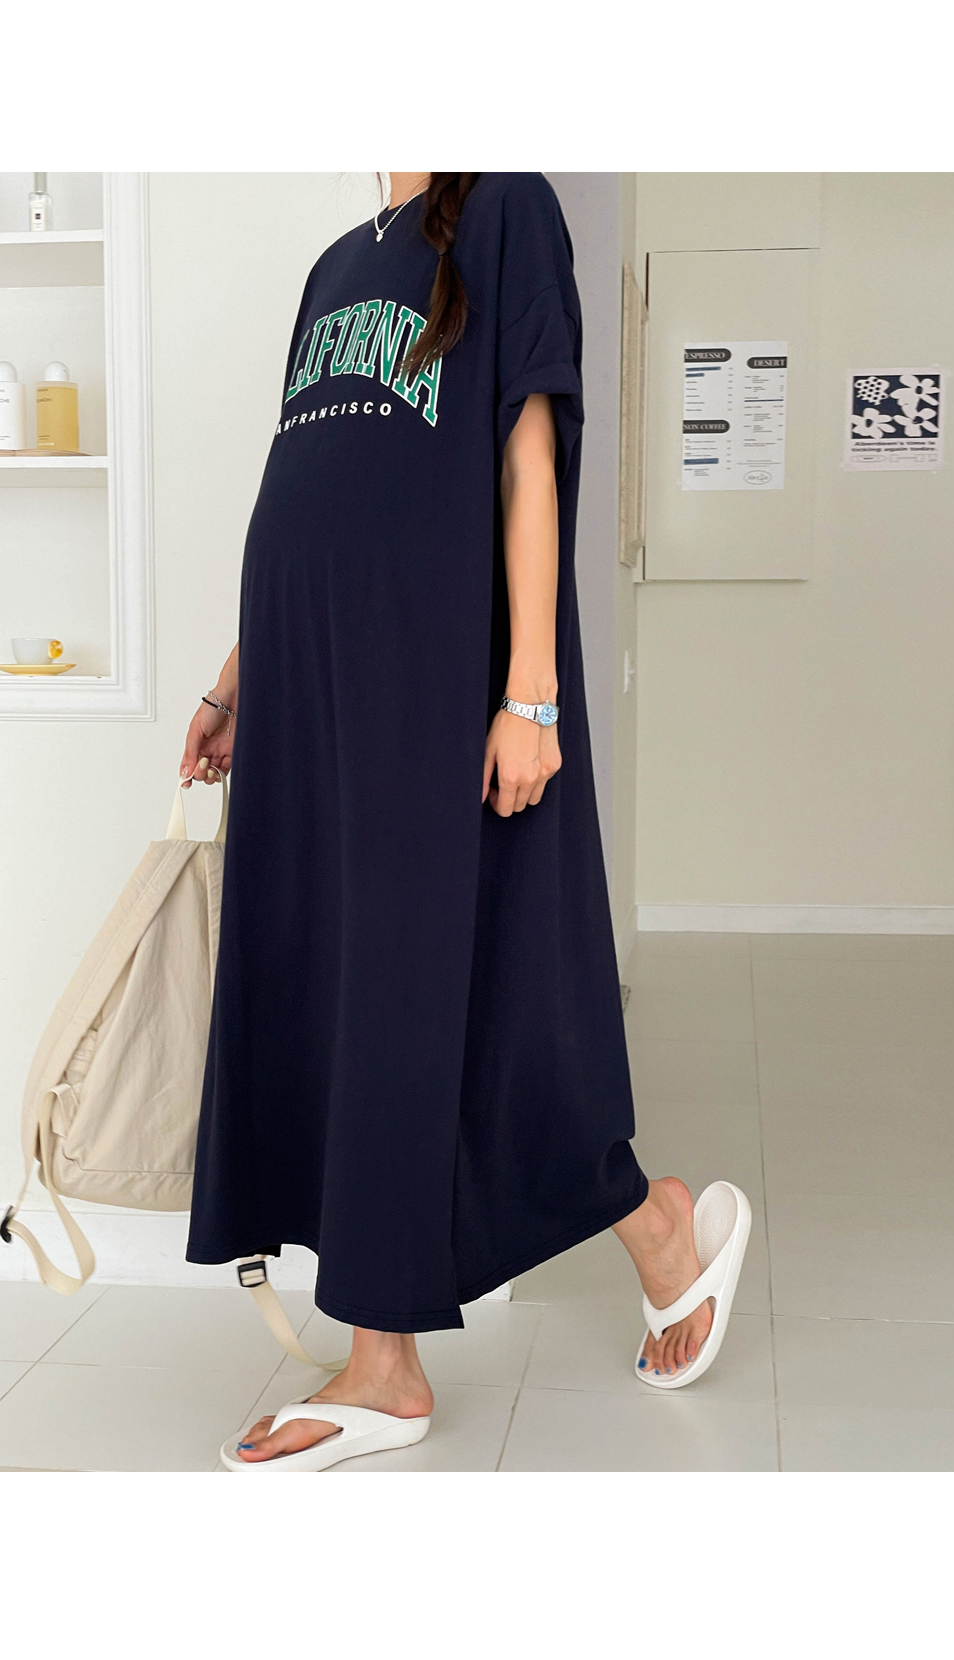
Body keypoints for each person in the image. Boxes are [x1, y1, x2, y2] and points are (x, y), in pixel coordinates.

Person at [180, 172, 749, 1471]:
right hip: (307, 687)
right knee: (339, 989)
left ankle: (393, 1363)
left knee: (425, 994)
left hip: (427, 678)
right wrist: (238, 678)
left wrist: (531, 693)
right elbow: (312, 488)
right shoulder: (335, 265)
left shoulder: (506, 210)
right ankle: (651, 1228)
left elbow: (525, 454)